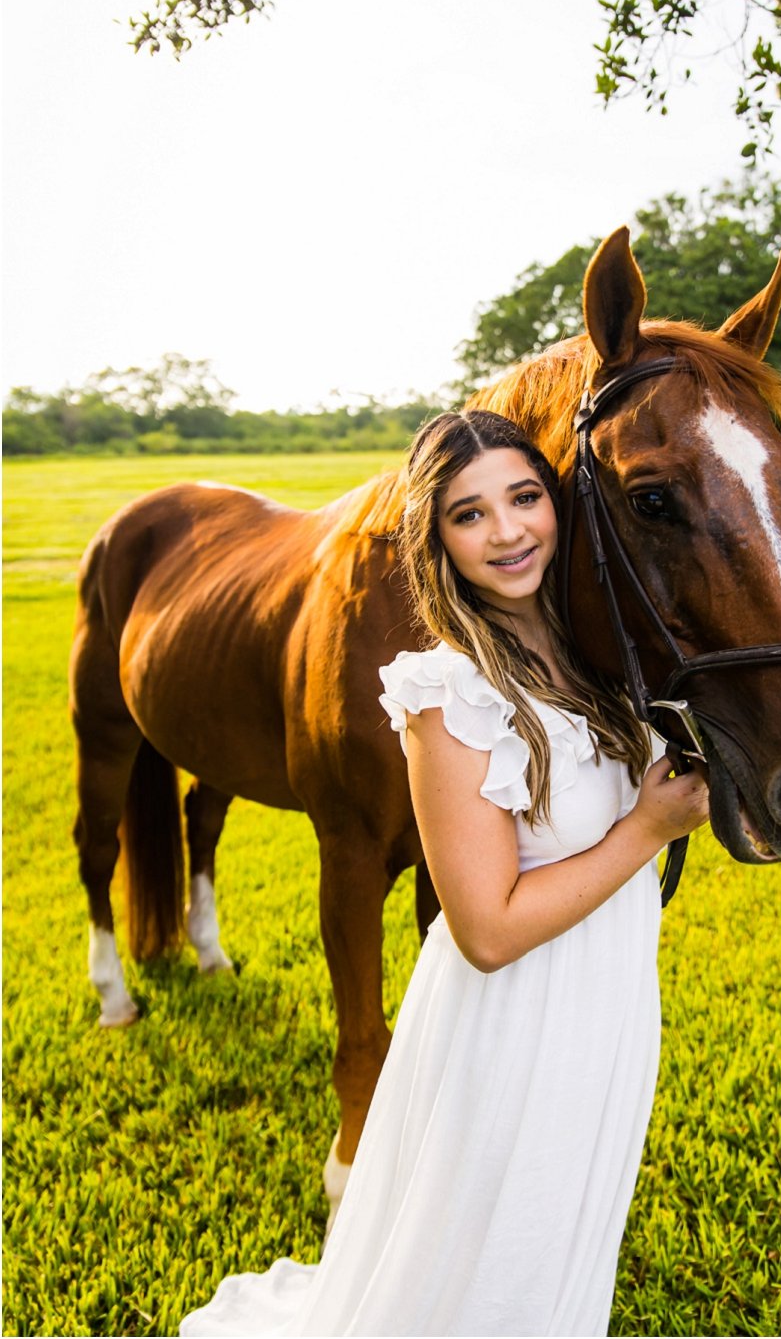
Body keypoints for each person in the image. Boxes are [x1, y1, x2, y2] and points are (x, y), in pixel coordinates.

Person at [182, 409, 708, 1336]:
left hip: (605, 1006)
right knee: (492, 1266)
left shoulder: (593, 660)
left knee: (564, 1245)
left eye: (524, 497)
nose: (506, 531)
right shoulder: (449, 693)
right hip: (513, 1030)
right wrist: (645, 829)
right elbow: (488, 930)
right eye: (468, 514)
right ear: (436, 539)